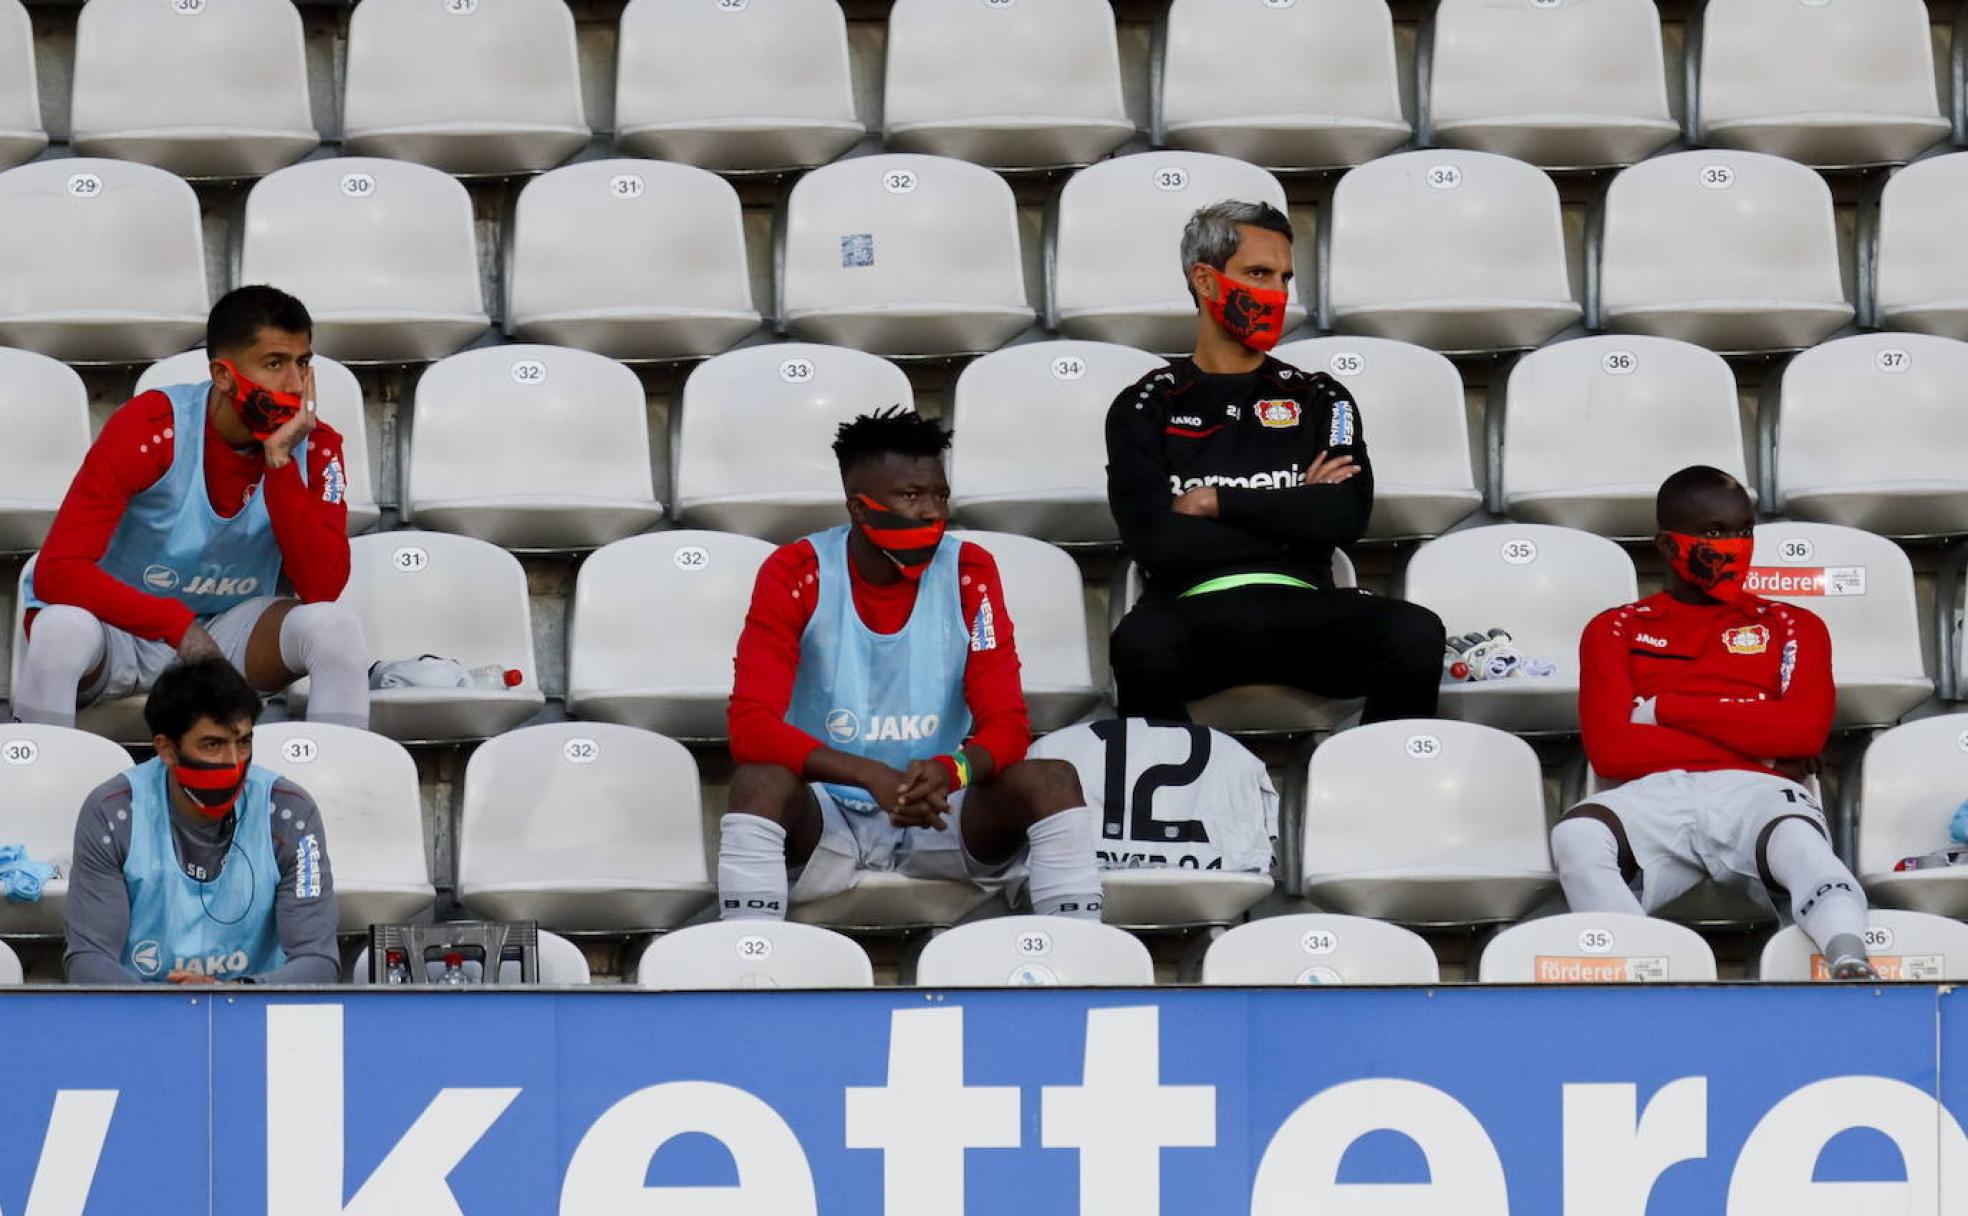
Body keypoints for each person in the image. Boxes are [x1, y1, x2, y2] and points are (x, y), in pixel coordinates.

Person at [718, 407, 1102, 920]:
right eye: (910, 496)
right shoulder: (796, 571)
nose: (931, 512)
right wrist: (870, 775)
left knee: (1052, 779)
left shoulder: (970, 571)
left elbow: (1008, 726)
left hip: (939, 809)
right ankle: (748, 958)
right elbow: (751, 730)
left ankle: (1079, 960)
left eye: (939, 495)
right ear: (860, 508)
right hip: (827, 810)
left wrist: (953, 769)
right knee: (757, 784)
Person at [1105, 200, 1444, 724]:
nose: (1277, 294)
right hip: (1192, 613)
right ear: (1206, 280)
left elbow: (1344, 517)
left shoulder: (1319, 397)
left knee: (1415, 633)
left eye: (1284, 277)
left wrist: (1216, 501)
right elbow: (1155, 540)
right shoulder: (1146, 404)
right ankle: (1173, 802)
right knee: (1138, 642)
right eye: (1258, 274)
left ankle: (1376, 794)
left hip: (1308, 610)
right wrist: (1296, 515)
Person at [1552, 466, 1875, 979]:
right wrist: (1756, 741)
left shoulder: (1794, 625)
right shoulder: (1615, 628)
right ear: (1665, 544)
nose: (1733, 545)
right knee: (1578, 836)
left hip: (1756, 791)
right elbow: (1613, 750)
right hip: (1653, 793)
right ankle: (1633, 973)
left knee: (1800, 841)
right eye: (1714, 533)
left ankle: (1849, 956)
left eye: (1743, 530)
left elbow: (1804, 733)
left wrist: (1662, 709)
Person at [13, 285, 368, 729]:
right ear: (223, 375)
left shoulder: (315, 445)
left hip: (230, 636)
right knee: (58, 630)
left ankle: (331, 789)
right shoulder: (152, 425)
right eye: (274, 364)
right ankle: (36, 784)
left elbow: (322, 587)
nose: (295, 384)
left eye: (302, 363)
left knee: (335, 628)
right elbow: (57, 570)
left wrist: (278, 463)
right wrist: (176, 626)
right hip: (121, 627)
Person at [64, 657, 339, 984]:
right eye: (213, 745)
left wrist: (229, 995)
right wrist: (168, 1010)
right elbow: (88, 959)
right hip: (143, 1016)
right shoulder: (114, 812)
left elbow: (318, 962)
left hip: (253, 1009)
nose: (233, 763)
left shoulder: (289, 813)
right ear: (167, 750)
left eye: (244, 742)